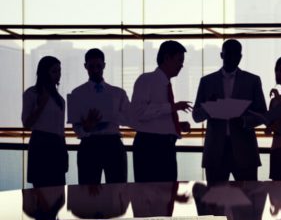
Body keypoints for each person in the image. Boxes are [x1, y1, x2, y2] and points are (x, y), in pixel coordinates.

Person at [192, 39, 267, 183]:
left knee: (249, 199)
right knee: (214, 201)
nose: (233, 57)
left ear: (241, 57)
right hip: (216, 150)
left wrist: (244, 121)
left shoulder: (253, 81)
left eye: (236, 54)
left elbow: (262, 114)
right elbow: (196, 116)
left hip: (245, 149)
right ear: (222, 55)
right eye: (229, 54)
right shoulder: (206, 81)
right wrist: (209, 107)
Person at [131, 40, 192, 182]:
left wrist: (176, 124)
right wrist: (172, 107)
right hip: (150, 146)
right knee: (147, 195)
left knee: (168, 194)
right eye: (179, 60)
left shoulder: (165, 83)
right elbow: (138, 113)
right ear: (166, 58)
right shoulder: (146, 80)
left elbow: (155, 117)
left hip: (166, 146)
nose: (181, 65)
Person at [70, 48, 129, 185]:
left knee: (117, 191)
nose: (95, 69)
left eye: (98, 66)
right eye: (91, 66)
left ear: (104, 65)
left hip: (113, 144)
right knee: (87, 194)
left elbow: (130, 119)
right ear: (85, 66)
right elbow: (76, 128)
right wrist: (86, 128)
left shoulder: (118, 93)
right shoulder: (77, 94)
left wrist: (113, 114)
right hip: (90, 144)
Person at [22, 56, 68, 187]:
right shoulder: (31, 93)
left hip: (58, 144)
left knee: (58, 191)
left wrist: (64, 151)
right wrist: (41, 104)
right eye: (54, 71)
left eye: (59, 71)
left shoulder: (59, 99)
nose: (58, 75)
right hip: (41, 143)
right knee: (41, 191)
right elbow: (27, 123)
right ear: (44, 72)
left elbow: (61, 128)